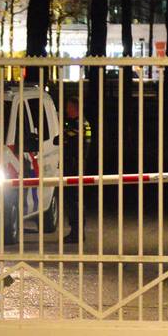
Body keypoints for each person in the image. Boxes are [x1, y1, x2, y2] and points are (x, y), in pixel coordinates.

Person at [61, 98, 92, 244]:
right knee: (73, 200)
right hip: (76, 164)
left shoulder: (79, 125)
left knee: (74, 201)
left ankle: (77, 233)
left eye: (68, 107)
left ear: (75, 108)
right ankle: (76, 232)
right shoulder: (79, 123)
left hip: (75, 166)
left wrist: (63, 136)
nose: (66, 110)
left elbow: (66, 138)